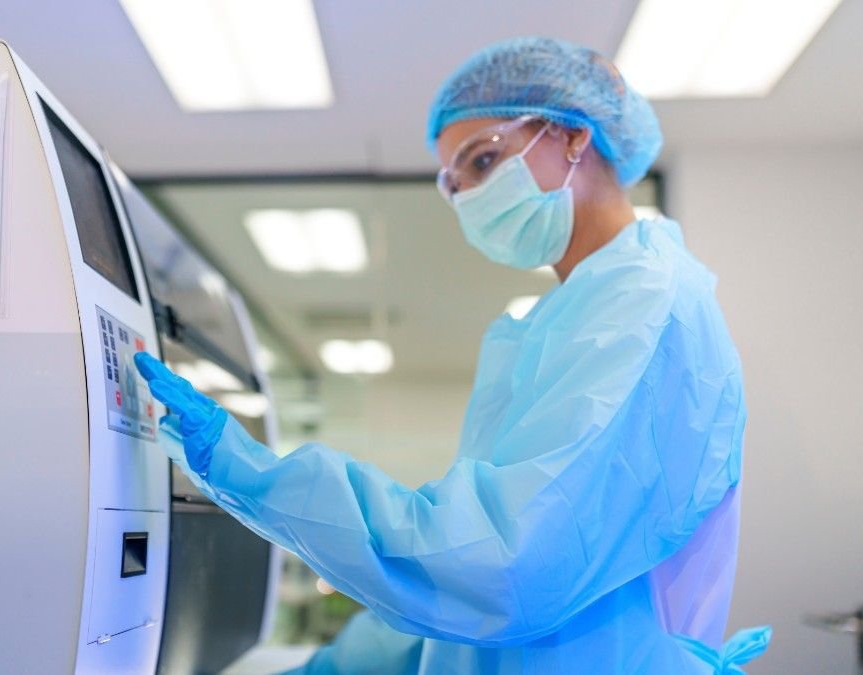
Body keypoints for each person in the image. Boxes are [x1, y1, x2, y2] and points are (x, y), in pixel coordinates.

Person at [134, 36, 771, 673]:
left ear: (573, 136)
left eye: (483, 160)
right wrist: (342, 665)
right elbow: (465, 591)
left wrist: (250, 472)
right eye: (451, 182)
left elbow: (503, 564)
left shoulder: (642, 305)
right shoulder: (568, 317)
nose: (466, 193)